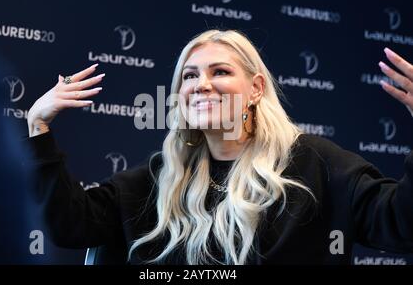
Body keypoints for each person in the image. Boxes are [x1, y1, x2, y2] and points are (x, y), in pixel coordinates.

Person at [25, 30, 413, 265]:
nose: (201, 84)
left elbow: (400, 224)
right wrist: (38, 126)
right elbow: (70, 225)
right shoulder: (162, 175)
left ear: (256, 89)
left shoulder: (315, 163)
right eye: (189, 75)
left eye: (221, 72)